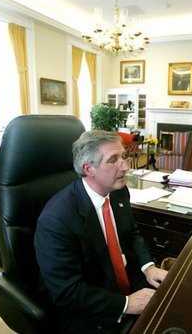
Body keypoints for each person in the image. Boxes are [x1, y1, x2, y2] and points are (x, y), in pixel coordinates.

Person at [34, 130, 168, 333]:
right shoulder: (56, 220)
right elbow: (67, 291)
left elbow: (131, 233)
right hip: (86, 302)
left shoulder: (117, 190)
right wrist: (126, 304)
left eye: (123, 156)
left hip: (120, 276)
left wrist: (148, 266)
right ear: (88, 169)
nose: (126, 166)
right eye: (113, 160)